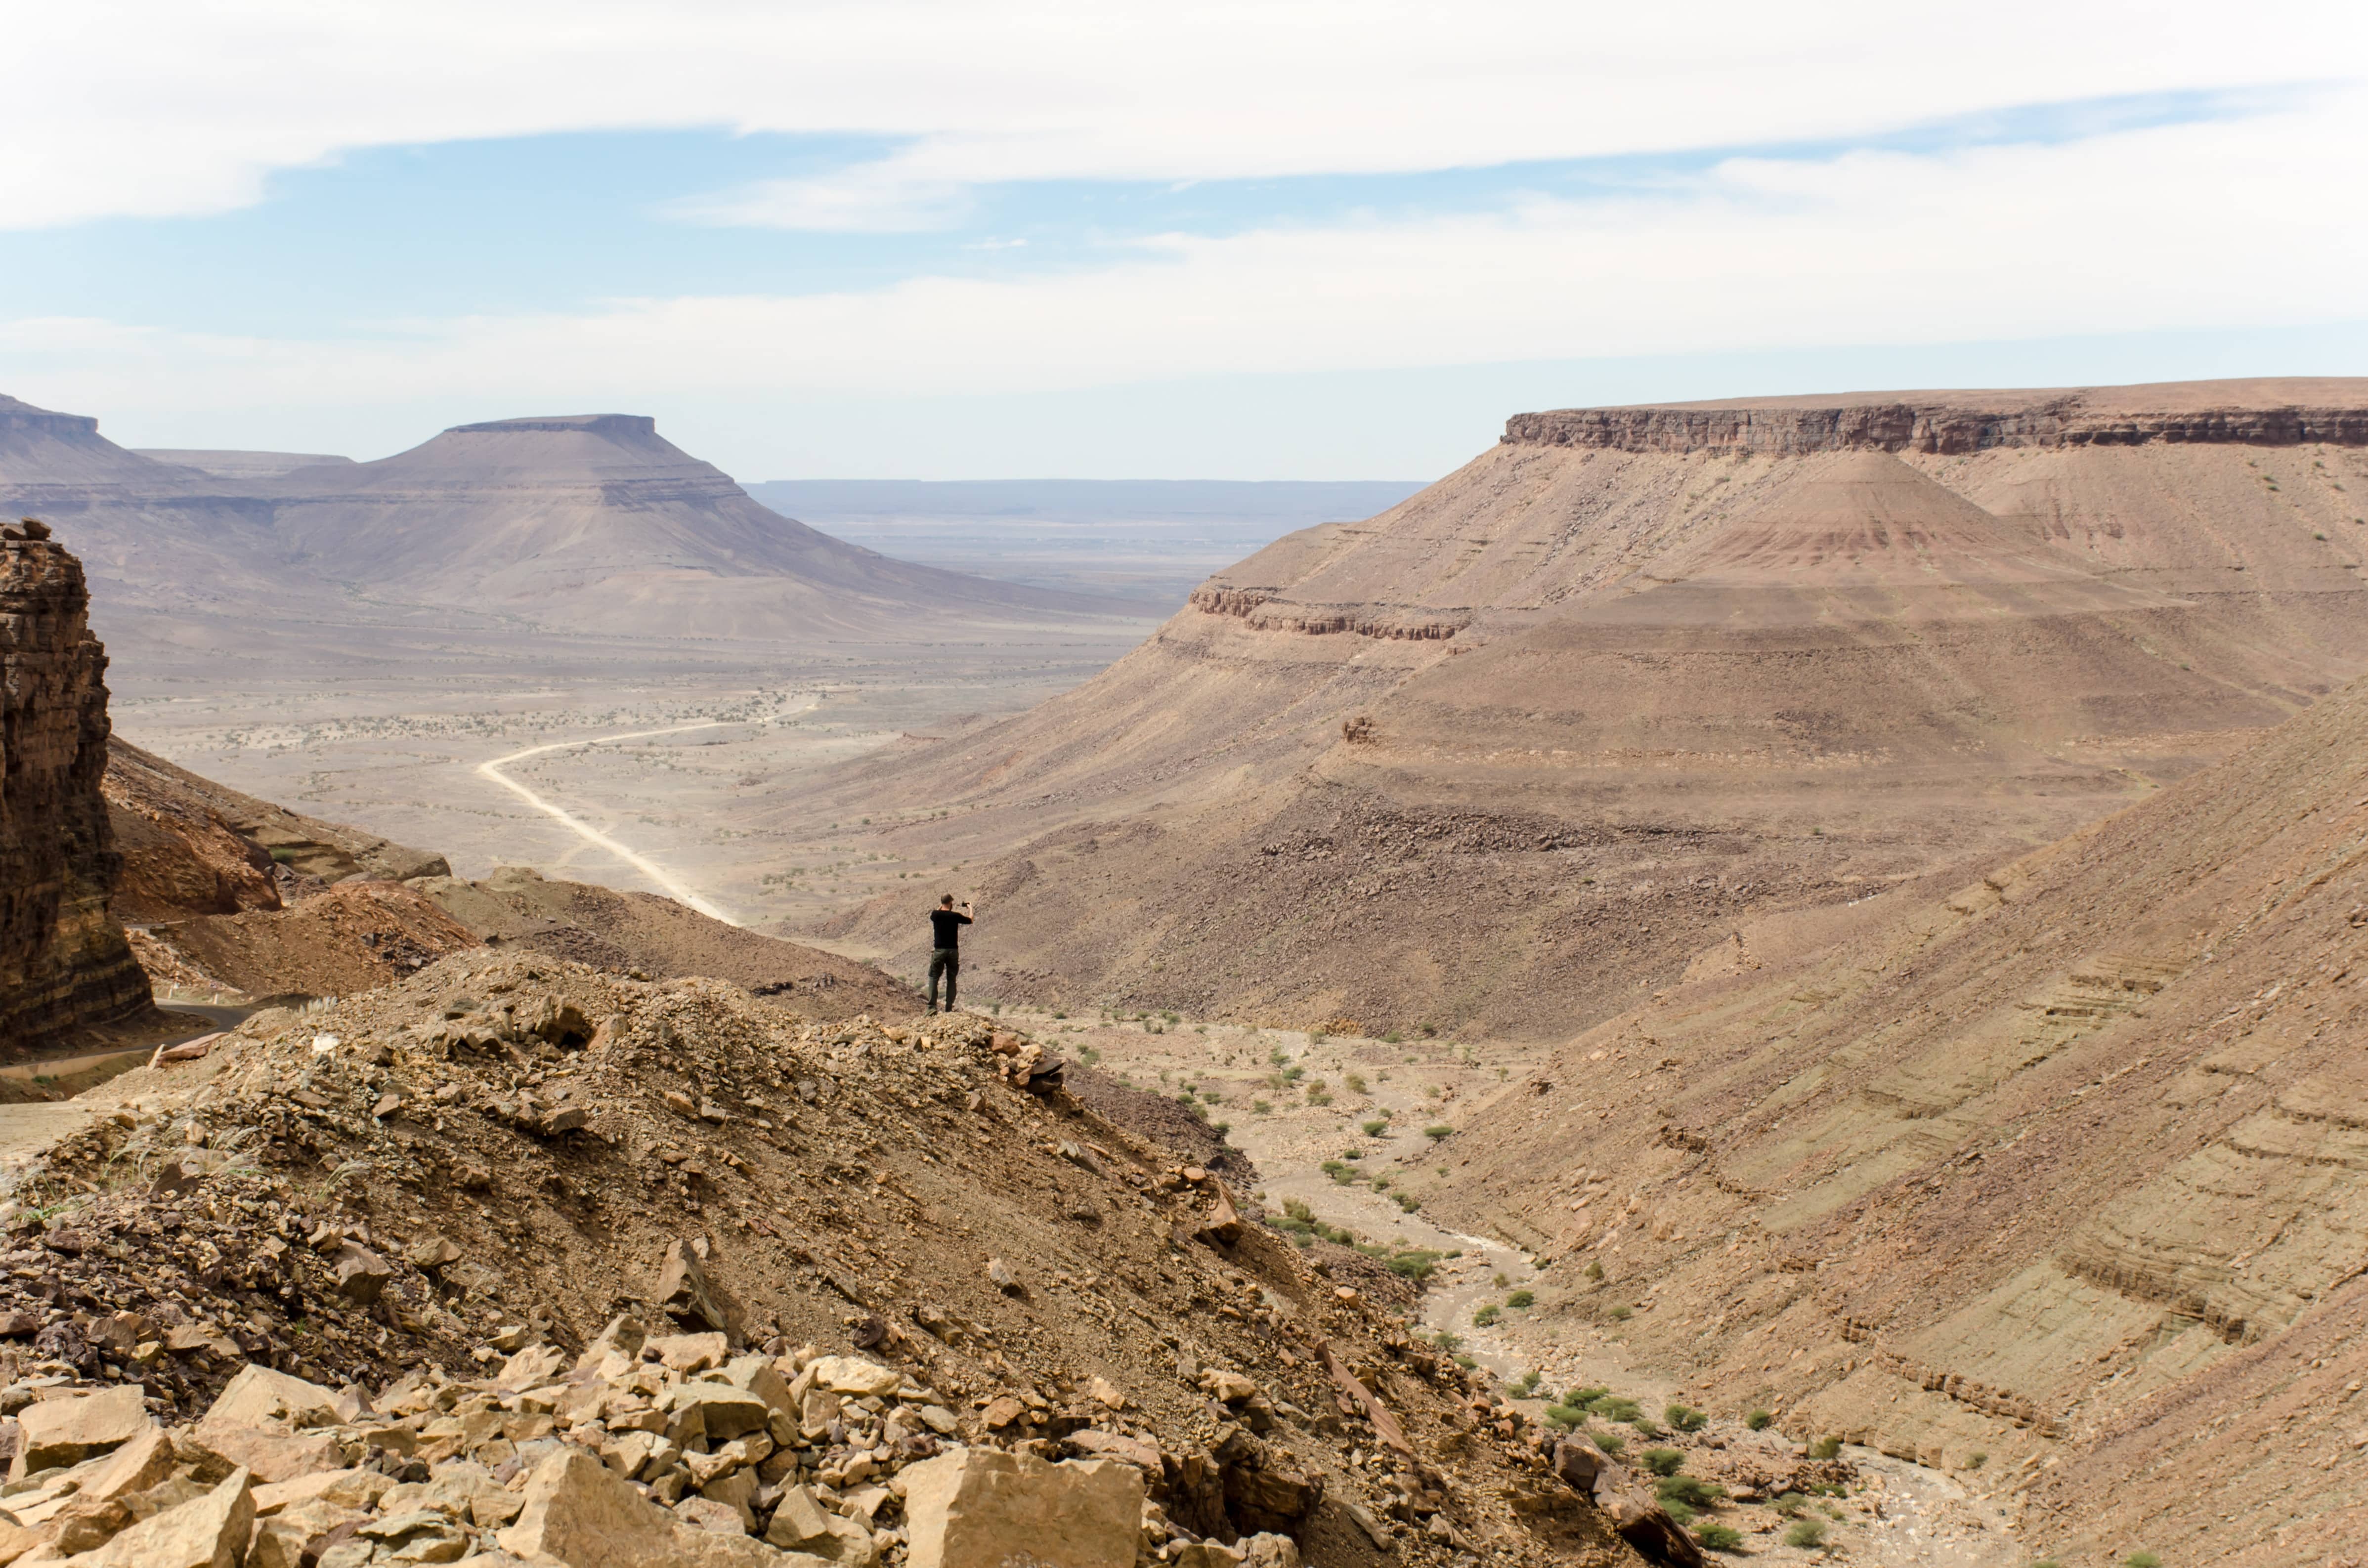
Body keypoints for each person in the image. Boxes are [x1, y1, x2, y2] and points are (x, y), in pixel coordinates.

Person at [926, 893, 973, 1014]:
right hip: (953, 951)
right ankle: (949, 1008)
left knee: (934, 978)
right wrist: (971, 908)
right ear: (951, 902)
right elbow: (970, 920)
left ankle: (932, 1009)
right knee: (951, 979)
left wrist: (943, 905)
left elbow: (937, 911)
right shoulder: (955, 916)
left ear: (941, 903)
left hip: (939, 951)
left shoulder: (935, 915)